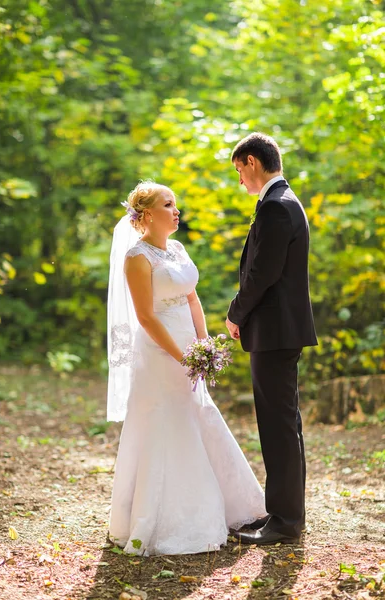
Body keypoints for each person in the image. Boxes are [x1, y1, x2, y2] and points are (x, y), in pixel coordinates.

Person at [106, 181, 266, 556]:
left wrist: (204, 342)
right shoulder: (137, 258)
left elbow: (192, 298)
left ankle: (229, 507)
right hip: (160, 352)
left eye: (175, 204)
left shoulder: (177, 249)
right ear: (146, 216)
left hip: (190, 349)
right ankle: (165, 521)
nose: (176, 211)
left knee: (198, 416)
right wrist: (180, 355)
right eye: (168, 204)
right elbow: (145, 316)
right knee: (168, 424)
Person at [226, 132, 318, 546]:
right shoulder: (281, 202)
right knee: (284, 423)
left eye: (239, 172)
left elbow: (263, 273)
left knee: (278, 425)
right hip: (279, 331)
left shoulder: (277, 208)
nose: (240, 181)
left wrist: (235, 312)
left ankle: (284, 521)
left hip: (275, 331)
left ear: (250, 161)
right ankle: (285, 514)